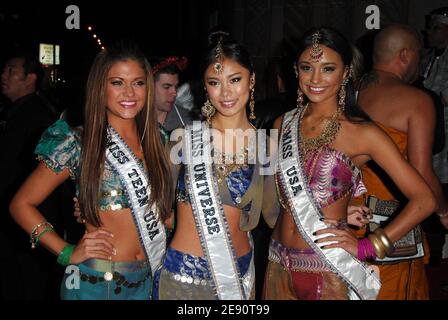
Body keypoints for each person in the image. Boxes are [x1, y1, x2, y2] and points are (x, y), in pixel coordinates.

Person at [262, 27, 436, 300]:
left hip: (328, 266)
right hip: (277, 263)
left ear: (345, 73)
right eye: (307, 67)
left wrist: (371, 246)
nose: (315, 78)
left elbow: (424, 199)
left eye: (328, 68)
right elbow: (275, 200)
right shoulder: (282, 124)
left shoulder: (361, 133)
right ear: (296, 71)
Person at [9, 41, 173, 300]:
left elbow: (165, 215)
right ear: (100, 87)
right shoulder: (78, 142)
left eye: (138, 83)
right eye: (117, 82)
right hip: (97, 281)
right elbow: (21, 204)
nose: (129, 93)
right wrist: (65, 251)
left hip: (150, 278)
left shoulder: (158, 140)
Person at [153, 30, 279, 300]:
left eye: (235, 79)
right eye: (214, 82)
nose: (226, 92)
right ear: (205, 86)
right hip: (182, 278)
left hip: (238, 276)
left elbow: (276, 215)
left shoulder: (267, 147)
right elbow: (155, 207)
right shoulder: (182, 140)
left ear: (252, 79)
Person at [356, 24, 448, 299]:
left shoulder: (348, 91)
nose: (420, 64)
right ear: (405, 55)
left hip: (346, 215)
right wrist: (443, 212)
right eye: (419, 55)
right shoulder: (416, 100)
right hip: (395, 222)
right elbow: (422, 173)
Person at [0, 53, 59, 299]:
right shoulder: (10, 111)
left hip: (27, 228)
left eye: (12, 71)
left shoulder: (40, 117)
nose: (4, 76)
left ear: (30, 78)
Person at [151, 56, 191, 143]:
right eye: (167, 87)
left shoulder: (187, 120)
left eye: (176, 87)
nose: (174, 93)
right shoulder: (133, 120)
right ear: (150, 86)